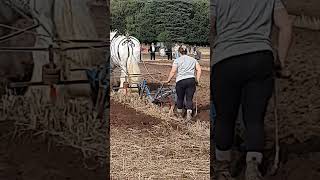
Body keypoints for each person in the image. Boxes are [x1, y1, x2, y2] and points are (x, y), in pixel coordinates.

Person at [210, 0, 292, 180]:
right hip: (260, 56)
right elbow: (285, 26)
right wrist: (281, 62)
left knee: (224, 117)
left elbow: (210, 25)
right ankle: (253, 167)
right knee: (255, 118)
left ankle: (223, 167)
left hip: (226, 59)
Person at [164, 46, 202, 121]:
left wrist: (168, 80)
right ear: (187, 52)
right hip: (191, 80)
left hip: (180, 81)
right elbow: (199, 70)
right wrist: (197, 80)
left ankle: (180, 115)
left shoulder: (177, 60)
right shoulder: (193, 60)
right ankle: (188, 115)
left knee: (180, 98)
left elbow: (173, 71)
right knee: (189, 99)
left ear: (179, 52)